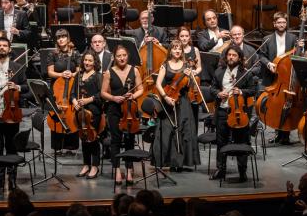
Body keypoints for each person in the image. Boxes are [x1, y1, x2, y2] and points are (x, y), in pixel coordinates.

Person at [0, 37, 28, 192]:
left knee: (11, 148)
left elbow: (26, 88)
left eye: (5, 46)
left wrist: (17, 87)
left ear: (9, 49)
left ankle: (13, 178)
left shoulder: (17, 67)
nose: (2, 48)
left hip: (12, 114)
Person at [209, 45, 258, 182]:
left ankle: (242, 171)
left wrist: (241, 92)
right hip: (223, 111)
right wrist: (218, 93)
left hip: (239, 113)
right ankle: (221, 169)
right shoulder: (219, 71)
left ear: (240, 58)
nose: (231, 57)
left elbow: (254, 89)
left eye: (234, 55)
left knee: (241, 140)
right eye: (229, 55)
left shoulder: (245, 73)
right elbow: (212, 88)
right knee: (221, 141)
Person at [152, 40, 200, 172]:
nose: (177, 51)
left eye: (179, 49)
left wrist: (191, 77)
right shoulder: (165, 65)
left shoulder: (186, 66)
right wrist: (166, 97)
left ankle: (182, 162)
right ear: (170, 51)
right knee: (168, 131)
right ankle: (168, 161)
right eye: (174, 48)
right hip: (168, 100)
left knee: (184, 130)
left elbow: (191, 86)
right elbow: (158, 84)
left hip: (183, 101)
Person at [101, 45, 144, 186]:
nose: (122, 58)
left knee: (130, 140)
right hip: (114, 109)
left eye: (124, 55)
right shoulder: (109, 72)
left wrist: (132, 95)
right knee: (116, 140)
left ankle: (130, 170)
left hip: (130, 109)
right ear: (115, 57)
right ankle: (117, 170)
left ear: (127, 56)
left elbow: (141, 90)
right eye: (119, 56)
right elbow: (103, 93)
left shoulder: (135, 70)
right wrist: (114, 98)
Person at [258, 12, 298, 145]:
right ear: (274, 24)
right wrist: (269, 64)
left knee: (287, 102)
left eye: (284, 22)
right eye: (279, 22)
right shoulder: (267, 39)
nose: (281, 25)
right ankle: (277, 133)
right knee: (275, 104)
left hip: (287, 76)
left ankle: (285, 134)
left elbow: (297, 55)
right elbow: (262, 56)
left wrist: (300, 47)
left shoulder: (293, 38)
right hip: (272, 74)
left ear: (286, 24)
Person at [47, 29, 81, 154]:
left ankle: (70, 147)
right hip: (57, 88)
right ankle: (57, 146)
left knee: (71, 114)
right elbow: (50, 72)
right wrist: (62, 74)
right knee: (57, 113)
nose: (61, 39)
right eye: (58, 37)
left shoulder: (75, 53)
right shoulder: (53, 54)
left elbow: (79, 70)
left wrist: (72, 74)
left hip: (71, 86)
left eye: (63, 37)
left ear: (68, 38)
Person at [73, 52, 103, 180]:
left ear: (95, 62)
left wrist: (88, 100)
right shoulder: (78, 75)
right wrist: (75, 102)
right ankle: (86, 165)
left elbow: (101, 95)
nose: (87, 63)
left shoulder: (98, 76)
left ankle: (95, 166)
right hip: (80, 112)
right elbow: (73, 93)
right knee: (84, 138)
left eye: (90, 60)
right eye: (85, 60)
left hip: (93, 111)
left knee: (93, 138)